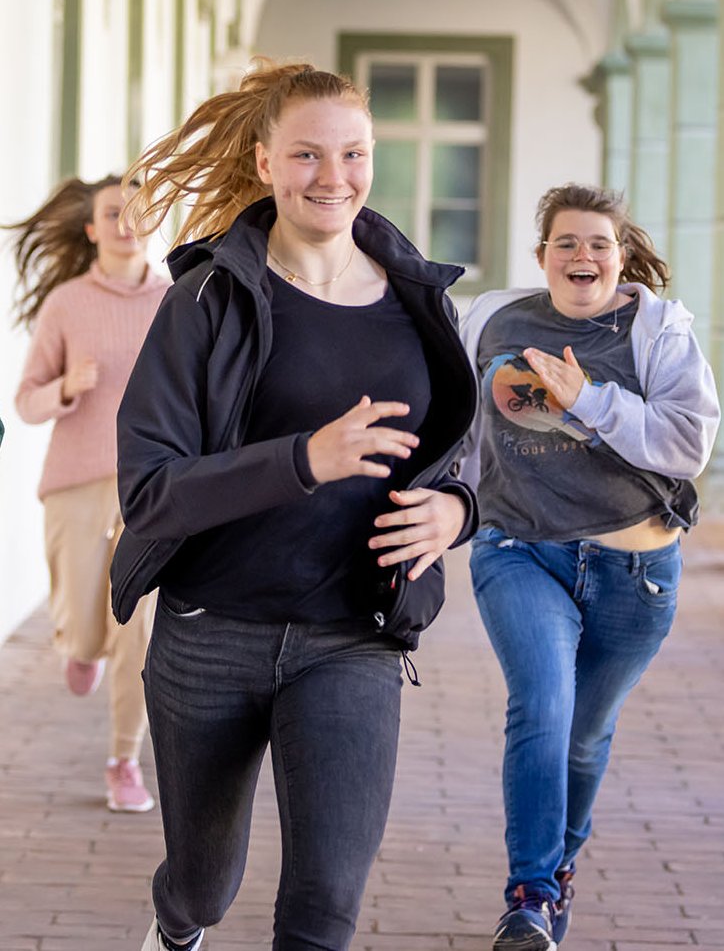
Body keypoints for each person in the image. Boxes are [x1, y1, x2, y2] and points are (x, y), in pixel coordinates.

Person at [111, 58, 479, 951]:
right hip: (211, 631)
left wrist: (457, 512)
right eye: (307, 154)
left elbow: (467, 455)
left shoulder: (420, 302)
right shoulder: (205, 299)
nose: (333, 177)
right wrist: (302, 461)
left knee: (325, 906)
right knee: (203, 885)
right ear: (265, 162)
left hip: (353, 637)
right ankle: (175, 925)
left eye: (353, 154)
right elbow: (149, 491)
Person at [459, 182, 721, 950]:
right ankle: (530, 898)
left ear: (622, 255)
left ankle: (559, 866)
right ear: (542, 255)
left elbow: (686, 447)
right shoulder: (495, 320)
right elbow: (462, 432)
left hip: (633, 574)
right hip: (519, 549)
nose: (583, 255)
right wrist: (444, 506)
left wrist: (589, 398)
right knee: (542, 707)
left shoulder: (660, 332)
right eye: (566, 242)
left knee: (582, 736)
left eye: (599, 243)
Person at [10, 174, 169, 812]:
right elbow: (26, 402)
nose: (126, 223)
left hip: (149, 487)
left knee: (138, 627)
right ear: (91, 228)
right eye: (112, 213)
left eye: (137, 212)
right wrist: (67, 387)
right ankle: (80, 649)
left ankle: (122, 760)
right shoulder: (67, 303)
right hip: (75, 484)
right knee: (84, 629)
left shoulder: (177, 300)